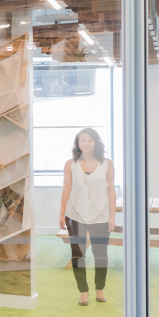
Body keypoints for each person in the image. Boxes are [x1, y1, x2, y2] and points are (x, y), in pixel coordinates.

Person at [58, 128, 116, 306]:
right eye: (83, 140)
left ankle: (100, 288)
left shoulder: (107, 163)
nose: (86, 143)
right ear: (78, 144)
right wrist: (62, 213)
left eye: (90, 140)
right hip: (75, 214)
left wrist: (112, 216)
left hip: (101, 215)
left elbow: (111, 190)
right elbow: (67, 188)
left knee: (100, 254)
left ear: (96, 142)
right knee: (78, 254)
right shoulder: (70, 164)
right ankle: (83, 291)